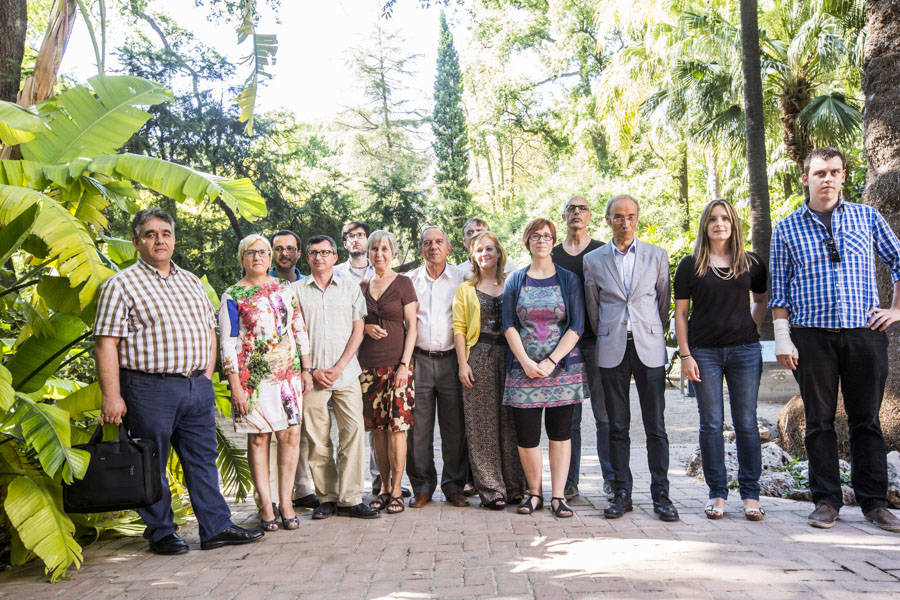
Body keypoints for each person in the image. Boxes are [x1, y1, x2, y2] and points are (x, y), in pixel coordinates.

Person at [95, 208, 263, 554]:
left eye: (166, 233)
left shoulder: (189, 281)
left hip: (194, 387)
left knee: (202, 458)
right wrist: (112, 395)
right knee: (151, 460)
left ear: (174, 238)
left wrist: (205, 373)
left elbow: (210, 329)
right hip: (147, 388)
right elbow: (106, 343)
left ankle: (215, 527)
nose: (160, 240)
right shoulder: (120, 285)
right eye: (151, 234)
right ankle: (161, 531)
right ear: (136, 241)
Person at [770, 147, 900, 532]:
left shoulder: (867, 217)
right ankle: (825, 501)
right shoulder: (787, 227)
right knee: (819, 422)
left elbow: (898, 259)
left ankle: (874, 503)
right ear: (806, 178)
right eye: (819, 172)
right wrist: (782, 338)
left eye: (833, 172)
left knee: (867, 420)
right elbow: (779, 292)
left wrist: (895, 311)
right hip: (811, 337)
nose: (826, 178)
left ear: (843, 176)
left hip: (865, 333)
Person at [583, 194, 678, 522]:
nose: (625, 222)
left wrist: (649, 330)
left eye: (631, 216)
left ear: (638, 219)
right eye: (618, 217)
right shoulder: (593, 260)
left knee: (656, 425)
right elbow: (593, 308)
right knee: (616, 425)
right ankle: (622, 493)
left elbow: (662, 302)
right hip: (612, 348)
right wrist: (610, 332)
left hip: (648, 347)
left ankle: (661, 495)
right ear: (608, 220)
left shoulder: (656, 256)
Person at [674, 200, 767, 521]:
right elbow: (681, 314)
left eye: (725, 218)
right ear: (705, 225)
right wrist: (685, 354)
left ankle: (751, 495)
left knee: (746, 423)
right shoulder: (690, 265)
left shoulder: (751, 263)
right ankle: (717, 493)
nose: (719, 223)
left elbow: (761, 300)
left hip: (745, 352)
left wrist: (748, 328)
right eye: (713, 218)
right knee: (711, 424)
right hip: (703, 353)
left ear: (733, 223)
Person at [219, 234, 313, 531]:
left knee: (290, 436)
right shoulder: (232, 294)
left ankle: (286, 501)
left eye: (263, 252)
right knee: (259, 438)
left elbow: (298, 330)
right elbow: (228, 343)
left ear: (270, 258)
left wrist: (307, 370)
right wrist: (235, 386)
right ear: (241, 258)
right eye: (251, 252)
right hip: (253, 379)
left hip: (288, 376)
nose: (257, 257)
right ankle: (265, 503)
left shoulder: (285, 290)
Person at [502, 218, 587, 518]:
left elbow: (577, 324)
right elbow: (508, 324)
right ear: (527, 241)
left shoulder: (568, 279)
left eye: (548, 236)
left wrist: (551, 361)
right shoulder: (515, 280)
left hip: (563, 370)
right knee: (527, 436)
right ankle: (534, 492)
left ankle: (559, 496)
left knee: (560, 434)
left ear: (553, 241)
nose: (542, 240)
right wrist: (526, 362)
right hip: (522, 371)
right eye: (536, 236)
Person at [294, 235, 380, 520]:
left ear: (334, 256)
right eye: (314, 252)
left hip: (346, 373)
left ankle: (351, 498)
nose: (319, 257)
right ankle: (327, 497)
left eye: (325, 252)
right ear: (307, 258)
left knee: (353, 433)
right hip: (311, 375)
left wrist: (340, 366)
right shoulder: (294, 291)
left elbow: (359, 330)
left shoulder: (350, 287)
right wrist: (311, 371)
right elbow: (292, 335)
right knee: (318, 438)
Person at [453, 231, 526, 509]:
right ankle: (491, 489)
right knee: (480, 423)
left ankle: (515, 486)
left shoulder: (512, 283)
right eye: (479, 250)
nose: (485, 254)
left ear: (499, 253)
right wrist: (462, 363)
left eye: (490, 249)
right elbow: (459, 328)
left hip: (511, 356)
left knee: (511, 421)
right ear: (473, 256)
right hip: (479, 356)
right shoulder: (466, 289)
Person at [551, 195, 614, 500]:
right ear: (563, 216)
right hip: (564, 348)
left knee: (604, 415)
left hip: (597, 342)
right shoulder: (552, 255)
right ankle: (570, 481)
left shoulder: (603, 251)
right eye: (571, 209)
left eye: (582, 208)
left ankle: (612, 480)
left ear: (590, 216)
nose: (577, 212)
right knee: (569, 419)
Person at [407, 226, 470, 508]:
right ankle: (422, 486)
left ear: (449, 248)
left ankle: (454, 485)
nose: (433, 247)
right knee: (417, 429)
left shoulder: (463, 278)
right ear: (420, 249)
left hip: (451, 361)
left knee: (454, 427)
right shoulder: (410, 280)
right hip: (419, 360)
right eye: (427, 243)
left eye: (438, 242)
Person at [358, 230, 418, 514]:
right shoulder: (362, 285)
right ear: (368, 253)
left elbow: (412, 327)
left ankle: (396, 488)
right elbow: (355, 324)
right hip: (368, 367)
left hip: (398, 367)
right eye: (374, 249)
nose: (379, 254)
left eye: (384, 249)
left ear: (392, 252)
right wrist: (367, 327)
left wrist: (405, 365)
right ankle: (382, 486)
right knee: (377, 431)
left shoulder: (404, 284)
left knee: (397, 430)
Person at [271, 229, 319, 511]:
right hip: (272, 371)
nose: (285, 253)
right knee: (274, 434)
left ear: (299, 253)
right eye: (279, 249)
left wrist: (307, 367)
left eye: (290, 248)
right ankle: (276, 497)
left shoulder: (307, 284)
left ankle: (301, 488)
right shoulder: (263, 284)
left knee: (299, 433)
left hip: (303, 368)